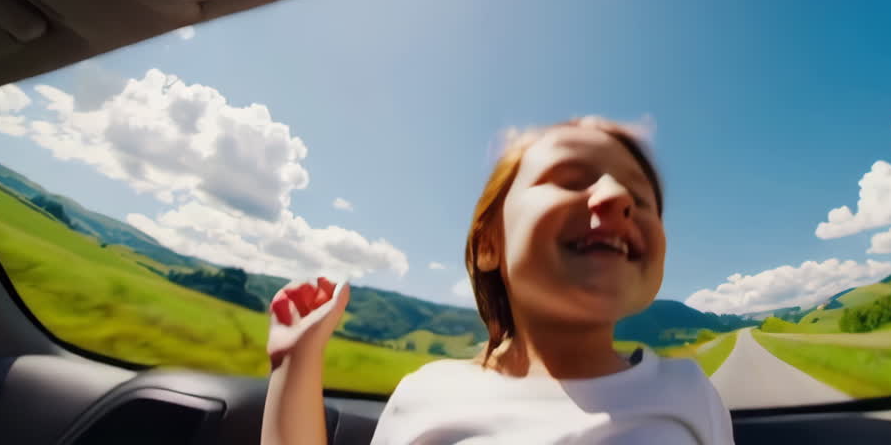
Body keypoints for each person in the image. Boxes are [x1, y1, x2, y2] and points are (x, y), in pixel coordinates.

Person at [261, 116, 735, 444]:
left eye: (640, 196)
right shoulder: (427, 394)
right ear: (489, 244)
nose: (615, 196)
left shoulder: (691, 391)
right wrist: (295, 364)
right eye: (570, 178)